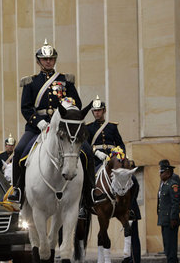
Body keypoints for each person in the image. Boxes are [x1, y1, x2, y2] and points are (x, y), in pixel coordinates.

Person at [8, 39, 107, 208]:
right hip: (38, 128)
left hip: (63, 127)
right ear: (38, 61)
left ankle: (91, 191)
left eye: (51, 59)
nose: (48, 61)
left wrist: (68, 108)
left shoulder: (65, 81)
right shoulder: (31, 82)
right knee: (19, 152)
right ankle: (18, 189)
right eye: (45, 59)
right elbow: (25, 108)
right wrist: (38, 122)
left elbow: (77, 103)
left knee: (87, 152)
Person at [157, 160, 180, 263]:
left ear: (168, 173)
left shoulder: (173, 184)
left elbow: (175, 202)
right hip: (164, 218)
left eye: (162, 172)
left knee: (171, 243)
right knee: (167, 243)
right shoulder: (164, 184)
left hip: (170, 218)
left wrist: (173, 217)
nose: (160, 174)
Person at [86, 95, 125, 168]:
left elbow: (120, 144)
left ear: (104, 111)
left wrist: (121, 156)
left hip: (112, 159)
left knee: (132, 177)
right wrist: (96, 152)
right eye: (95, 110)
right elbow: (86, 145)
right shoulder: (89, 127)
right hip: (96, 160)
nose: (97, 113)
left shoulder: (112, 126)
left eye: (99, 110)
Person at [128, 160, 141, 263]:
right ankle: (133, 262)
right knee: (131, 238)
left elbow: (132, 197)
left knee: (132, 238)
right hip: (131, 209)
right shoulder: (131, 178)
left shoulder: (131, 179)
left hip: (131, 210)